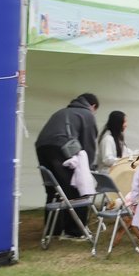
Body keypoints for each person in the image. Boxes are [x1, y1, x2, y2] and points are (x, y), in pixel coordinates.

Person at [34, 93, 100, 239]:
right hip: (61, 148)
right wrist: (88, 169)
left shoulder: (62, 112)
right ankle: (75, 231)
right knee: (75, 187)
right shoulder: (87, 114)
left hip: (42, 147)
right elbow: (88, 143)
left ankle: (53, 230)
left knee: (54, 189)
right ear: (93, 106)